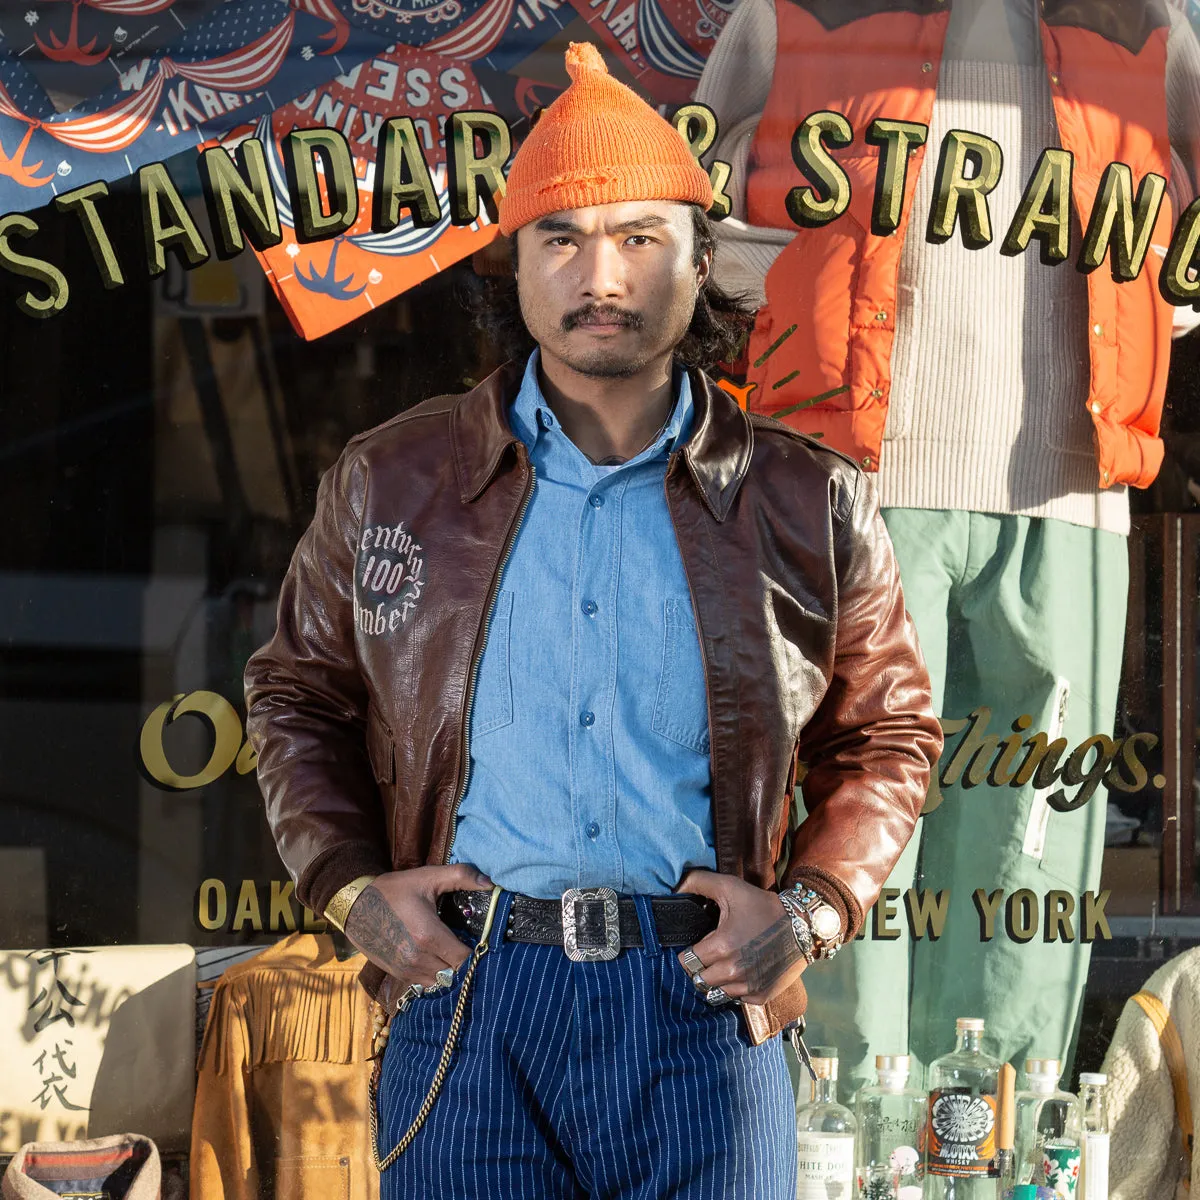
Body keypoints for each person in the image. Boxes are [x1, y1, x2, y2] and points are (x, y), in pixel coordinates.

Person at [244, 40, 942, 1199]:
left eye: (638, 238)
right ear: (513, 270)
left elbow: (891, 734)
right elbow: (295, 697)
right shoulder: (393, 481)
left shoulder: (804, 499)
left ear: (702, 258)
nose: (598, 277)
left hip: (706, 996)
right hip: (469, 992)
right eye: (560, 240)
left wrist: (813, 915)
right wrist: (351, 889)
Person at [695, 0, 1200, 1094]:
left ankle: (992, 1138)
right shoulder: (801, 13)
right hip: (859, 478)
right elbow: (701, 216)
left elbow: (1187, 248)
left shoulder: (1143, 27)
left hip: (1069, 484)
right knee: (852, 818)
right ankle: (842, 1127)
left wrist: (1152, 307)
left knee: (1031, 842)